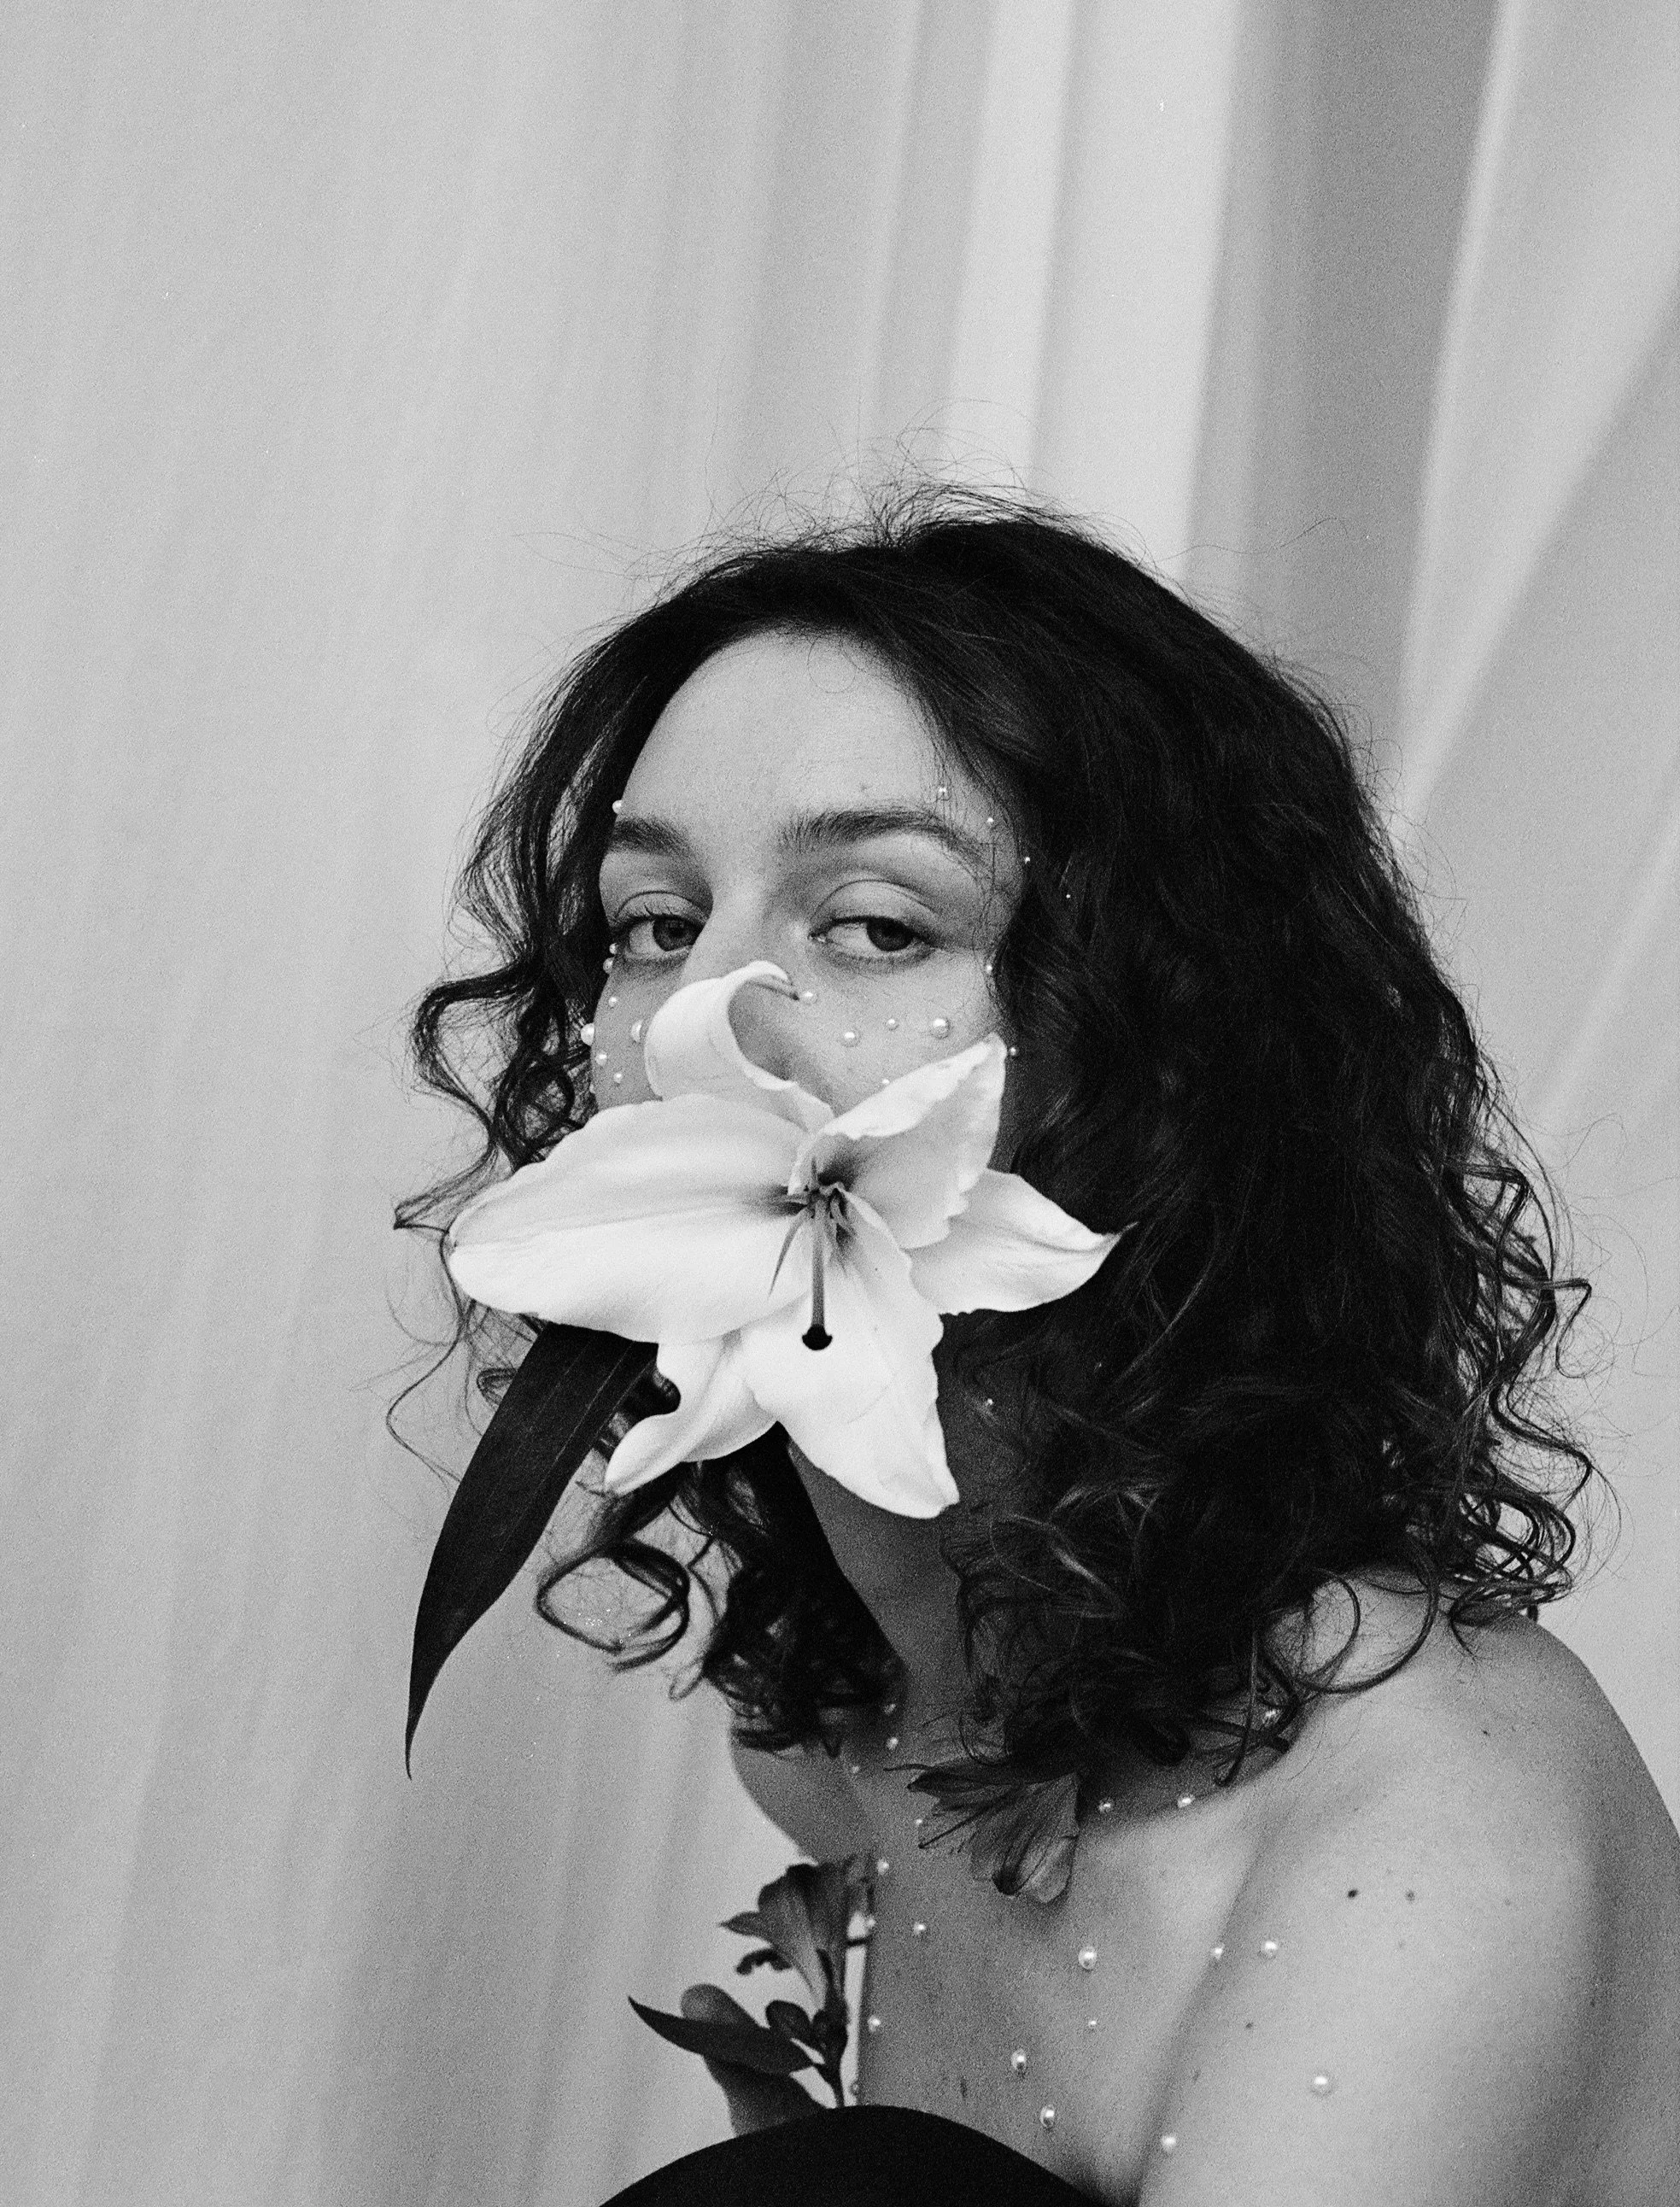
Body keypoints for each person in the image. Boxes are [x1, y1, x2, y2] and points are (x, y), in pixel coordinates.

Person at [400, 486, 1680, 2205]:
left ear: (1164, 1039)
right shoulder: (839, 1747)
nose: (707, 1014)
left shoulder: (1423, 1827)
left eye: (875, 924)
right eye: (652, 922)